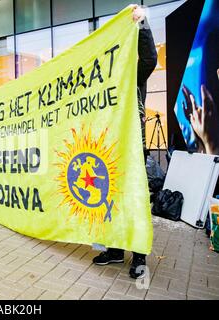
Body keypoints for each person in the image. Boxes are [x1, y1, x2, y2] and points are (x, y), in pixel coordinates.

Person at [92, 5, 157, 279]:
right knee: (109, 199)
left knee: (134, 199)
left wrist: (142, 25)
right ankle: (115, 250)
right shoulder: (105, 82)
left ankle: (138, 255)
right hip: (109, 150)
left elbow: (150, 58)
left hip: (133, 149)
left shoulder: (135, 74)